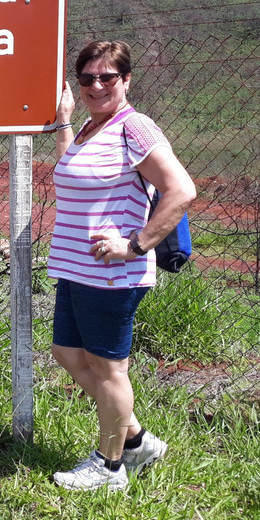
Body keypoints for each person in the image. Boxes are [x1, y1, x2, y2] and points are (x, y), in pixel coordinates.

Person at [47, 40, 196, 491]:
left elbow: (181, 189)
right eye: (87, 77)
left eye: (107, 77)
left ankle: (110, 467)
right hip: (77, 267)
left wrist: (136, 245)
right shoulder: (94, 128)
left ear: (125, 80)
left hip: (112, 273)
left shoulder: (135, 128)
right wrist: (65, 123)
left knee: (110, 369)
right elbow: (79, 173)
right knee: (67, 354)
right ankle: (136, 441)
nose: (96, 85)